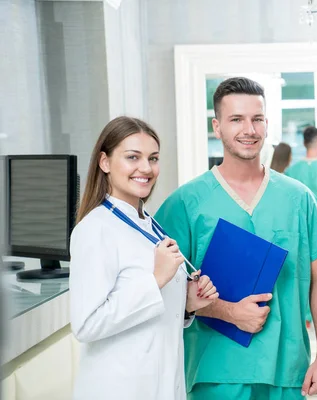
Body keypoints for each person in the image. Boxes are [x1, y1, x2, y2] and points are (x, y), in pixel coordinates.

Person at [155, 77, 317, 400]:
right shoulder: (186, 204)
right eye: (236, 119)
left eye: (257, 119)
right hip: (215, 371)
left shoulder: (299, 199)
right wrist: (228, 311)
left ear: (267, 124)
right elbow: (161, 291)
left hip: (286, 370)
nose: (248, 129)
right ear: (217, 126)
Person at [69, 116, 219, 400]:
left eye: (153, 158)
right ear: (104, 162)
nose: (146, 168)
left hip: (162, 383)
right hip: (119, 388)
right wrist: (156, 279)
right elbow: (86, 324)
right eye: (132, 157)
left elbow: (153, 313)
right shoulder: (95, 229)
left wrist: (187, 304)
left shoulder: (147, 223)